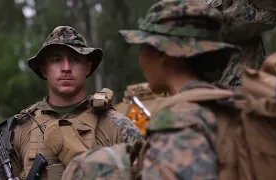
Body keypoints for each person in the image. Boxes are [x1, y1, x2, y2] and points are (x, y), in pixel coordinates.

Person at [61, 1, 240, 179]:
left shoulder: (181, 120)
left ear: (163, 53)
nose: (141, 60)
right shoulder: (230, 105)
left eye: (142, 48)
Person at [0, 26, 143, 180]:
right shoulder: (16, 131)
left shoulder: (118, 126)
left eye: (75, 59)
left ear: (87, 67)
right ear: (44, 70)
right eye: (56, 60)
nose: (66, 68)